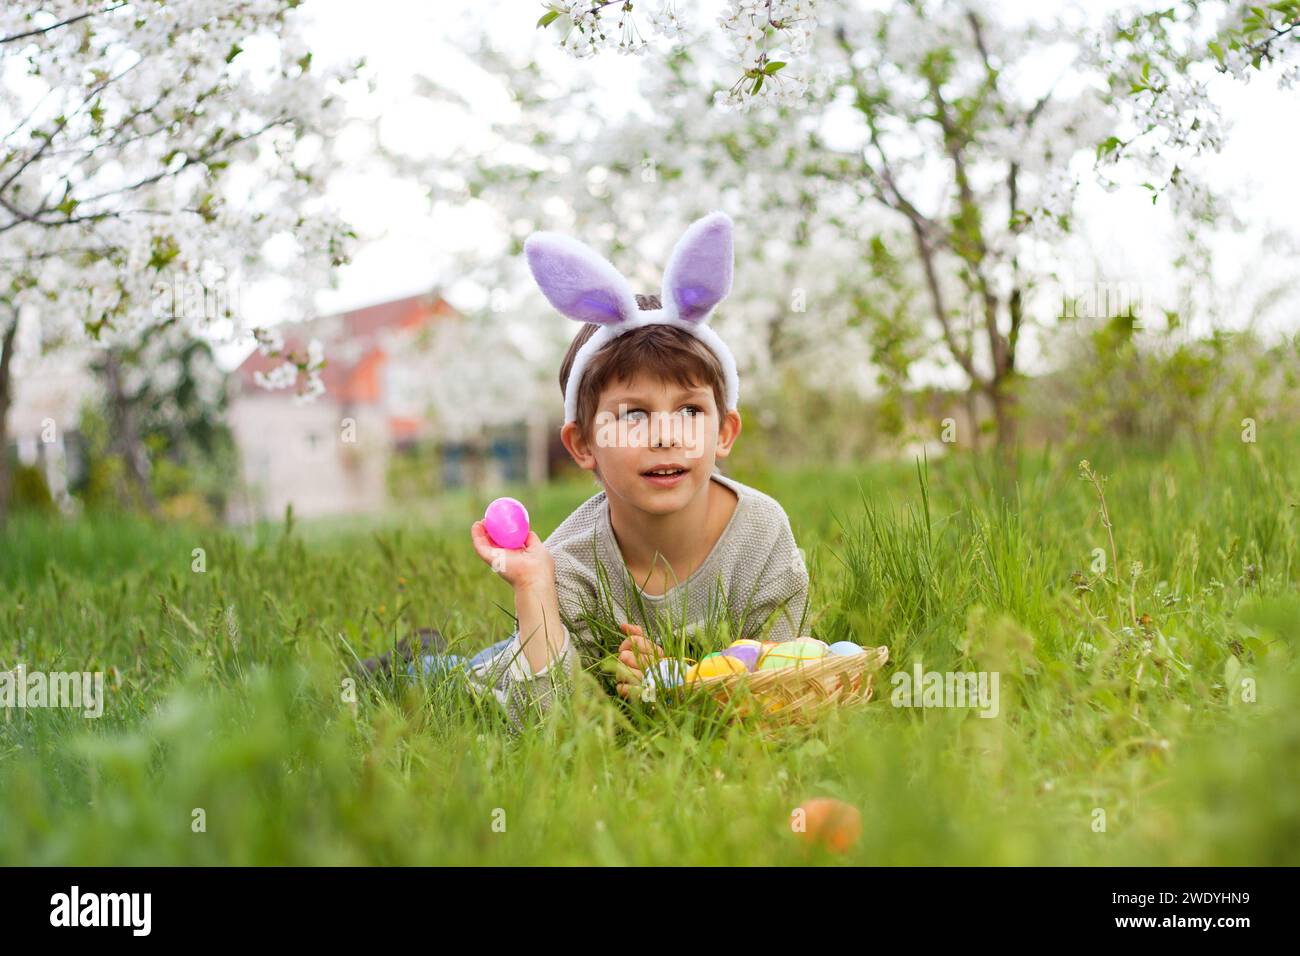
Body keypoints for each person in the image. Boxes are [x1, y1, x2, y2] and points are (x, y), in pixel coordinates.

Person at [363, 212, 811, 734]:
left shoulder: (761, 534)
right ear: (583, 444)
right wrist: (533, 584)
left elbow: (783, 676)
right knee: (459, 687)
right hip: (525, 673)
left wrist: (671, 683)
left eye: (690, 410)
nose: (666, 436)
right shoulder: (571, 561)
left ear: (725, 432)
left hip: (643, 671)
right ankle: (415, 664)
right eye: (633, 415)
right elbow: (549, 725)